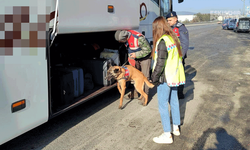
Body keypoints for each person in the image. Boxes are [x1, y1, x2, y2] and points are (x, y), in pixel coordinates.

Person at [151, 16, 185, 144]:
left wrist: (153, 79)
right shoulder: (173, 39)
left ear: (157, 28)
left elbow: (160, 63)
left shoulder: (162, 41)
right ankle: (176, 127)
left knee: (163, 105)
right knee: (174, 102)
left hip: (164, 78)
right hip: (174, 77)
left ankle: (167, 135)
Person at [114, 30, 152, 105]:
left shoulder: (138, 38)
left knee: (144, 76)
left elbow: (148, 50)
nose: (120, 42)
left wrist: (136, 55)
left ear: (125, 38)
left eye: (120, 41)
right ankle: (136, 93)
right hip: (136, 58)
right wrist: (130, 57)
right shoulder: (126, 39)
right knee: (135, 76)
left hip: (145, 58)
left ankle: (144, 97)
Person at [166, 11, 189, 99]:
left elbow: (185, 44)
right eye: (167, 20)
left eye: (170, 20)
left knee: (179, 75)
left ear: (176, 19)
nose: (168, 22)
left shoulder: (181, 28)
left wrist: (181, 57)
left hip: (179, 56)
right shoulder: (169, 28)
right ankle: (172, 91)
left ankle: (180, 93)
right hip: (170, 56)